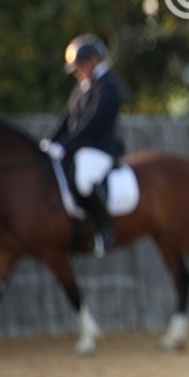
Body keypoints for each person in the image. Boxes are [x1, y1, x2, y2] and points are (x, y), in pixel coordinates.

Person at [40, 34, 127, 258]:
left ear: (94, 61)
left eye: (80, 65)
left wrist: (65, 146)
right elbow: (66, 117)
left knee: (84, 180)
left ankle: (104, 228)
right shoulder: (83, 87)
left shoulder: (108, 87)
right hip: (80, 148)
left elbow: (92, 124)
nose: (78, 71)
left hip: (100, 148)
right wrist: (49, 141)